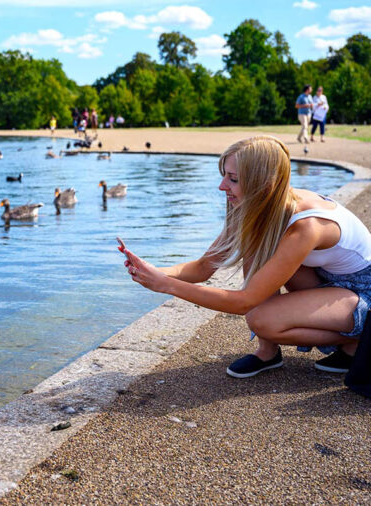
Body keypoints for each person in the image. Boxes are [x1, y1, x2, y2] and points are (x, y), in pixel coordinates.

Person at [119, 136, 368, 378]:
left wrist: (167, 285)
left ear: (263, 183)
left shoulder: (308, 226)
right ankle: (268, 353)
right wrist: (153, 271)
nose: (222, 186)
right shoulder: (259, 205)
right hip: (330, 282)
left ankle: (359, 339)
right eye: (224, 176)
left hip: (363, 292)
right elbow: (204, 267)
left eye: (233, 179)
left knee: (262, 320)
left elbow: (245, 302)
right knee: (255, 243)